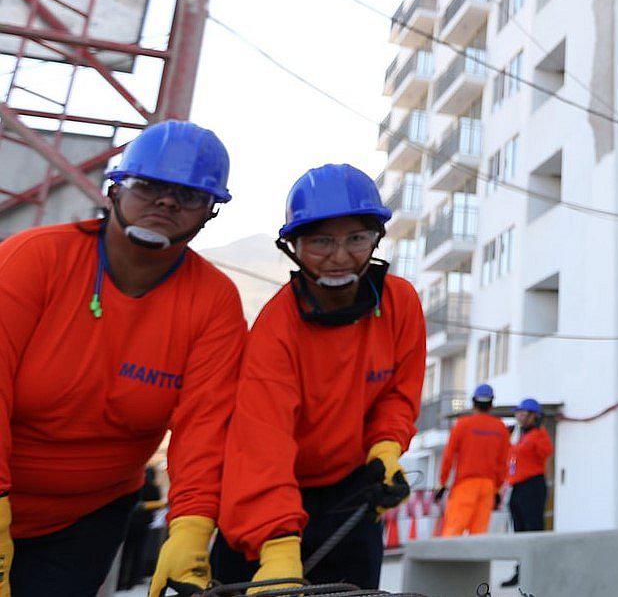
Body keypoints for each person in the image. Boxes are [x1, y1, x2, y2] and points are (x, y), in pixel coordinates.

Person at [0, 120, 246, 597]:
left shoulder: (214, 302)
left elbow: (205, 427)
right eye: (149, 185)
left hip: (84, 520)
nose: (167, 202)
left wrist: (191, 524)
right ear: (115, 189)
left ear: (209, 213)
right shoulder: (32, 260)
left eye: (189, 195)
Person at [212, 164, 425, 592]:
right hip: (270, 488)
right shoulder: (276, 330)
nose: (340, 256)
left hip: (350, 492)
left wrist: (385, 446)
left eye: (355, 239)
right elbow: (263, 442)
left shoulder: (400, 303)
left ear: (376, 239)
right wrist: (275, 543)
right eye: (320, 241)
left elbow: (399, 393)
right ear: (292, 246)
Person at [434, 385, 510, 537]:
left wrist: (442, 483)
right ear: (491, 404)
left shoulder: (463, 425)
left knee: (453, 531)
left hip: (465, 485)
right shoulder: (501, 428)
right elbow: (503, 462)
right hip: (488, 487)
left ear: (474, 402)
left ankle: (447, 561)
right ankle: (476, 561)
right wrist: (497, 488)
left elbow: (448, 456)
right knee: (479, 535)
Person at [501, 398, 553, 588]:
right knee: (519, 530)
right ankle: (521, 570)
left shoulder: (539, 434)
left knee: (533, 528)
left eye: (525, 413)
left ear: (534, 416)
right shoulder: (520, 435)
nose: (520, 417)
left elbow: (546, 451)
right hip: (518, 487)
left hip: (533, 485)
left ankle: (538, 569)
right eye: (519, 413)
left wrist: (539, 429)